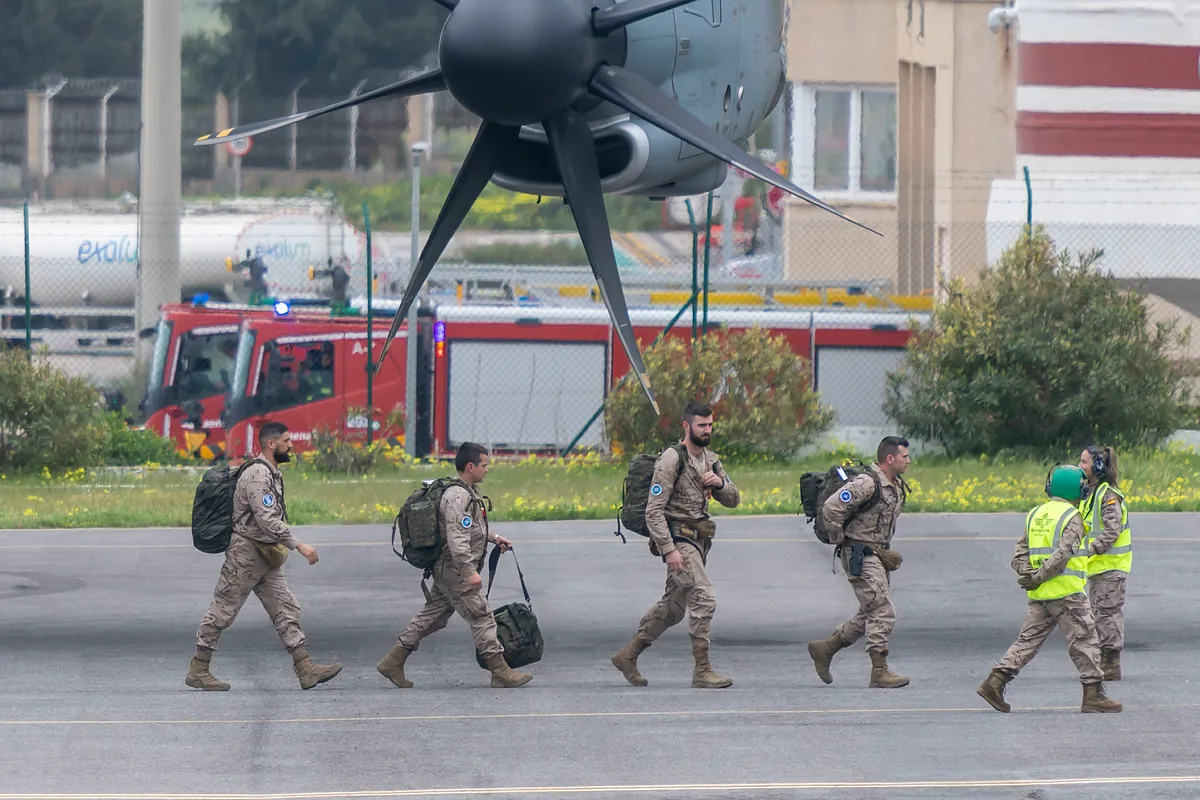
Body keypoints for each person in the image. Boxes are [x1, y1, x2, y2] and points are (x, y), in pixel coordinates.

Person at [186, 421, 343, 691]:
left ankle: (305, 668)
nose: (291, 445)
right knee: (222, 610)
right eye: (286, 440)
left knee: (285, 607)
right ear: (271, 444)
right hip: (246, 555)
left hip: (266, 555)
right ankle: (199, 669)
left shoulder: (271, 472)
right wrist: (298, 545)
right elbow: (267, 519)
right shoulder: (259, 474)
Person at [376, 442, 532, 689]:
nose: (487, 469)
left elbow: (469, 529)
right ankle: (500, 672)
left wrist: (493, 538)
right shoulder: (457, 496)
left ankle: (393, 661)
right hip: (454, 569)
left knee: (433, 616)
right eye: (484, 465)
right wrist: (469, 571)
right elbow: (457, 538)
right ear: (470, 466)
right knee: (481, 615)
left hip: (448, 568)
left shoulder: (467, 492)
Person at [610, 402, 741, 689]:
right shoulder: (671, 459)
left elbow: (734, 499)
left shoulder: (712, 460)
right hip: (679, 541)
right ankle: (702, 670)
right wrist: (669, 549)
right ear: (686, 426)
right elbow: (653, 510)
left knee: (673, 607)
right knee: (704, 598)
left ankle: (628, 655)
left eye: (709, 425)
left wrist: (719, 484)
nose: (707, 430)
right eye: (701, 425)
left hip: (699, 541)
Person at [976, 464, 1122, 714]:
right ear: (1077, 489)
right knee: (1085, 640)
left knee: (1028, 641)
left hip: (1040, 594)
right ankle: (1093, 694)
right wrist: (1040, 576)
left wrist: (1029, 574)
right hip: (1066, 592)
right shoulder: (1072, 517)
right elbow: (1063, 554)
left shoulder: (1036, 513)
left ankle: (995, 681)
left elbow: (1020, 551)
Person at [806, 436, 911, 689]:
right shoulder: (866, 483)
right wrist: (842, 540)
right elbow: (832, 508)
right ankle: (879, 670)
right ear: (890, 458)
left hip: (878, 555)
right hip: (860, 556)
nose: (908, 460)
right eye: (904, 456)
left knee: (870, 612)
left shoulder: (894, 484)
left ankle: (826, 648)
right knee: (883, 610)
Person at [1079, 445, 1131, 681]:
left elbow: (1112, 531)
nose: (1080, 466)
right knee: (1100, 614)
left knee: (1107, 615)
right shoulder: (1092, 494)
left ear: (1098, 466)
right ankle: (1104, 660)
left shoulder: (1108, 495)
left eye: (1084, 462)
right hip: (1099, 569)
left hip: (1110, 568)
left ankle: (1111, 664)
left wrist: (1088, 551)